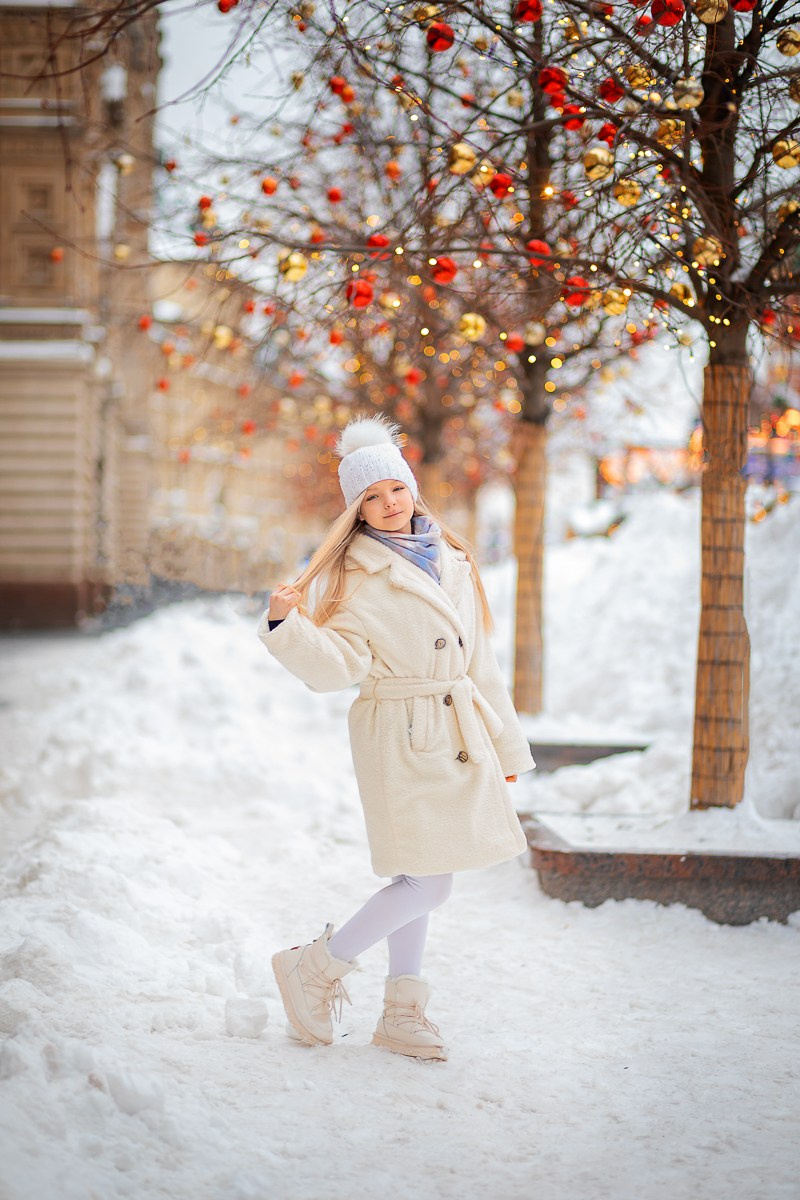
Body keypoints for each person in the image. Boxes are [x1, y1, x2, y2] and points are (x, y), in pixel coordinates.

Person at [258, 414, 536, 1061]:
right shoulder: (355, 577)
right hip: (400, 734)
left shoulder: (454, 560)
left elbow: (481, 664)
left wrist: (506, 748)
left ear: (412, 488)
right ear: (355, 510)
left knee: (424, 873)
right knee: (429, 883)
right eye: (372, 496)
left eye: (396, 489)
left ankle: (400, 1013)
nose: (389, 504)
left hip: (457, 730)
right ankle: (314, 967)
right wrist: (284, 627)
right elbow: (339, 667)